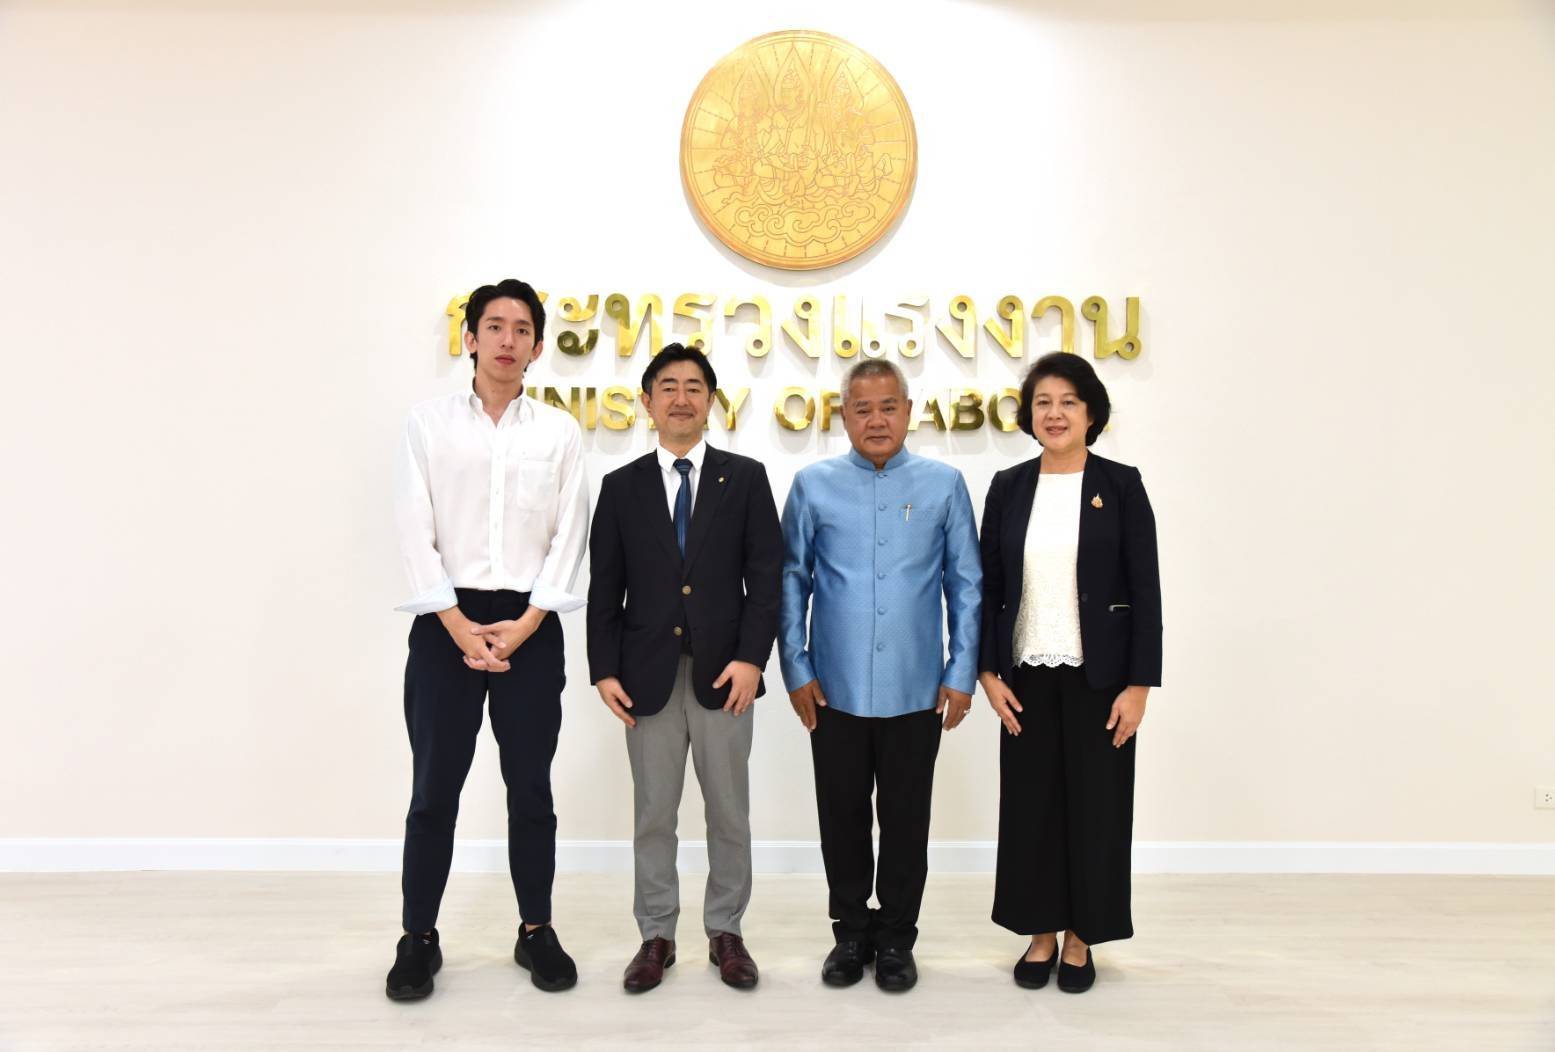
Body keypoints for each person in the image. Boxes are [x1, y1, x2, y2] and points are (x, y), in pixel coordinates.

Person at [385, 278, 588, 1000]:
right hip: (446, 623)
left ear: (538, 346)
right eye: (494, 326)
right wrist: (456, 624)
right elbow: (413, 527)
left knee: (530, 788)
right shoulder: (428, 425)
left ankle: (535, 930)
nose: (508, 339)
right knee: (433, 790)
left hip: (531, 625)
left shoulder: (559, 433)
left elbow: (571, 534)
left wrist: (527, 623)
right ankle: (418, 937)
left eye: (521, 329)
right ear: (470, 338)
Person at [778, 359, 982, 993]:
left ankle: (895, 937)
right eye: (862, 408)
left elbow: (966, 585)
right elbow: (791, 581)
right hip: (831, 688)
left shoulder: (945, 485)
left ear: (908, 411)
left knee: (905, 820)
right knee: (840, 818)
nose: (876, 420)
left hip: (917, 687)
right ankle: (849, 934)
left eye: (888, 406)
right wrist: (796, 667)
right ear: (844, 416)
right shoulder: (812, 485)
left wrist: (961, 671)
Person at [587, 343, 782, 993]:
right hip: (644, 677)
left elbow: (765, 579)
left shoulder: (744, 478)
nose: (680, 397)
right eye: (667, 386)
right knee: (653, 813)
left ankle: (726, 931)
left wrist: (752, 659)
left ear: (710, 401)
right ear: (647, 402)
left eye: (693, 386)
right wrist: (603, 670)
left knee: (728, 811)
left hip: (725, 675)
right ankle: (656, 935)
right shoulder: (620, 488)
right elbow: (605, 587)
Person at [977, 351, 1162, 994]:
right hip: (1025, 675)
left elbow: (1146, 589)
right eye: (1043, 403)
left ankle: (1082, 936)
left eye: (1068, 402)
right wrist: (987, 672)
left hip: (1102, 679)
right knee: (1032, 809)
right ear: (1029, 415)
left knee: (1097, 809)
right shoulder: (1008, 487)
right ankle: (1040, 932)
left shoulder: (1122, 484)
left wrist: (1139, 686)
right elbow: (988, 588)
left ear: (1091, 413)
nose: (1054, 414)